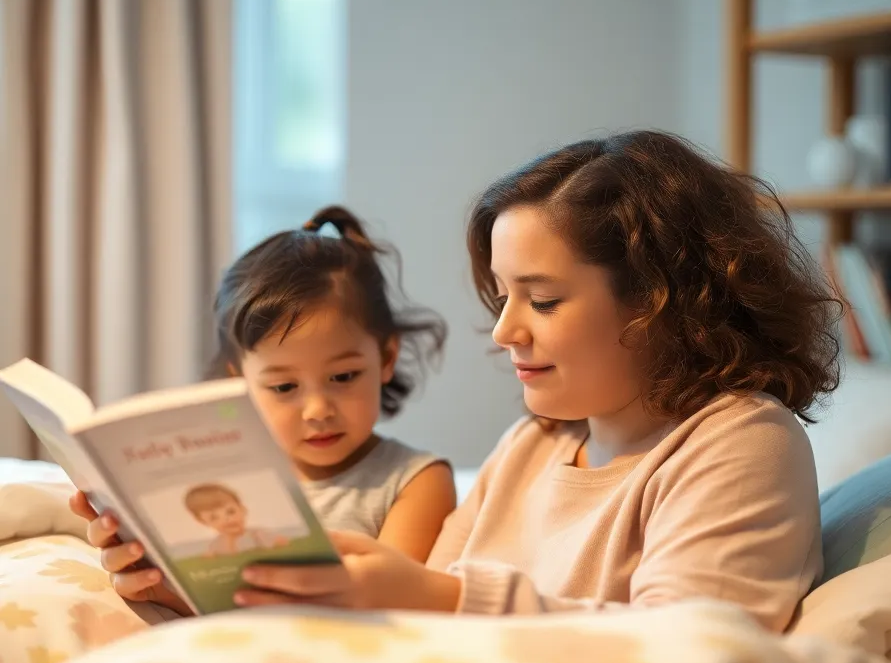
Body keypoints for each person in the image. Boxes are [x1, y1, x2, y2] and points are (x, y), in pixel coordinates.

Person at [80, 132, 841, 632]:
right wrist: (172, 591)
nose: (506, 331)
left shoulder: (739, 442)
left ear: (659, 301)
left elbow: (691, 658)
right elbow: (401, 624)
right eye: (502, 297)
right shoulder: (532, 446)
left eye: (541, 300)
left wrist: (437, 597)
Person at [72, 207, 455, 616]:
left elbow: (388, 603)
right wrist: (155, 586)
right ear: (243, 383)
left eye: (343, 377)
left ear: (386, 356)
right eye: (284, 387)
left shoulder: (415, 482)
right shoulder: (221, 480)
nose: (317, 410)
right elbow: (221, 603)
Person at [182, 483, 289, 558]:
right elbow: (210, 558)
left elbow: (281, 543)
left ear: (243, 510)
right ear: (203, 522)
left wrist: (277, 542)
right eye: (214, 518)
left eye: (231, 512)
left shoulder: (256, 534)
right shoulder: (216, 544)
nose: (227, 519)